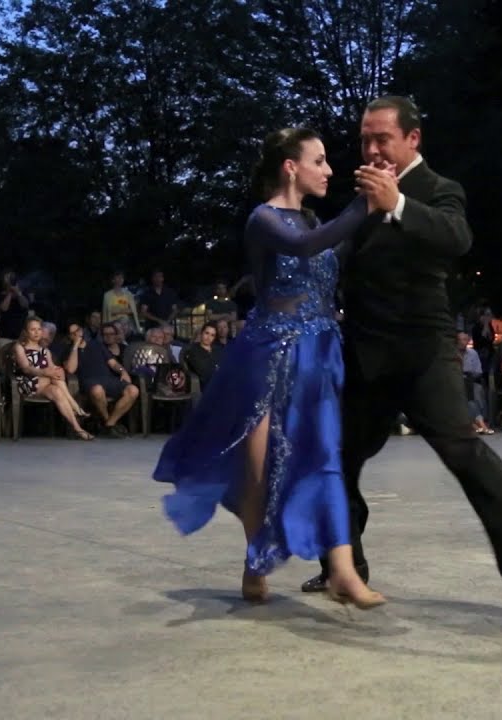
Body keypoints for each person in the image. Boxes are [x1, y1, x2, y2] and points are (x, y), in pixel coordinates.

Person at [302, 96, 502, 621]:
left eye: (382, 138)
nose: (372, 149)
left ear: (412, 140)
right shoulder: (360, 198)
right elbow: (339, 262)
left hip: (424, 353)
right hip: (366, 357)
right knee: (335, 461)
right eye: (364, 140)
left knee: (463, 452)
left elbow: (457, 238)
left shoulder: (438, 190)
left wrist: (397, 203)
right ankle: (344, 564)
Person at [154, 127, 386, 609]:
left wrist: (379, 208)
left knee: (324, 455)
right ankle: (255, 560)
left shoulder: (313, 220)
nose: (328, 170)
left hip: (319, 352)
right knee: (258, 468)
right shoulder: (264, 220)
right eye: (319, 161)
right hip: (268, 352)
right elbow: (306, 248)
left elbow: (333, 248)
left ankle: (342, 570)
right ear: (290, 167)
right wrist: (361, 206)